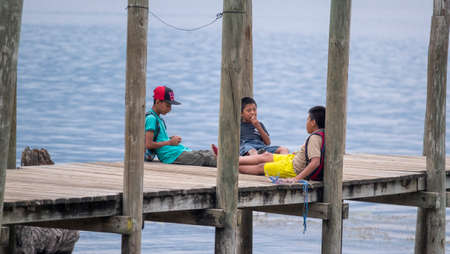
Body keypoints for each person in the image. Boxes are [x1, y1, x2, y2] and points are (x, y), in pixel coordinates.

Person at [238, 106, 325, 182]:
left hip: (293, 169)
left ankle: (234, 167)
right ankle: (236, 160)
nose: (306, 122)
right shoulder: (320, 134)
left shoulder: (314, 138)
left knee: (261, 166)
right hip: (293, 159)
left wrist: (297, 178)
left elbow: (315, 162)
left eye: (308, 119)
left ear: (313, 122)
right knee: (266, 156)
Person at [145, 85, 216, 167]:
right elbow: (148, 144)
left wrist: (170, 139)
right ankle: (227, 163)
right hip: (170, 155)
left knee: (204, 153)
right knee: (204, 158)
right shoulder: (151, 118)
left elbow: (158, 138)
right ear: (157, 102)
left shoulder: (158, 119)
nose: (170, 109)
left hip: (175, 151)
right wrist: (170, 142)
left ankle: (222, 157)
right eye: (168, 105)